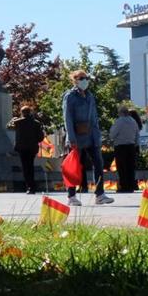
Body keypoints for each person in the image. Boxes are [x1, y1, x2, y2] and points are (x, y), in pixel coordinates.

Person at [62, 70, 113, 206]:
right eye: (81, 78)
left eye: (86, 78)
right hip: (77, 137)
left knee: (98, 164)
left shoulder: (90, 96)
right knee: (73, 166)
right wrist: (71, 138)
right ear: (75, 80)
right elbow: (67, 118)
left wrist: (98, 136)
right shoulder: (70, 96)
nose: (85, 80)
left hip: (91, 136)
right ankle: (71, 196)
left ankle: (100, 194)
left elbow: (94, 117)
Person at [9, 105, 45, 194]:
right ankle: (32, 186)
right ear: (30, 112)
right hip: (32, 148)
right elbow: (41, 137)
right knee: (30, 166)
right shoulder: (36, 123)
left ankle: (29, 187)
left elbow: (8, 126)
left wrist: (13, 119)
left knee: (25, 167)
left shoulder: (18, 122)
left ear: (22, 113)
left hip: (22, 148)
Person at [108, 107, 139, 193]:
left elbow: (112, 134)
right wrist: (135, 144)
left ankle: (124, 186)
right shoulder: (133, 121)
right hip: (131, 146)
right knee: (130, 167)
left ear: (121, 113)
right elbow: (137, 134)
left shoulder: (119, 121)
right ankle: (130, 186)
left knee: (122, 167)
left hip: (120, 146)